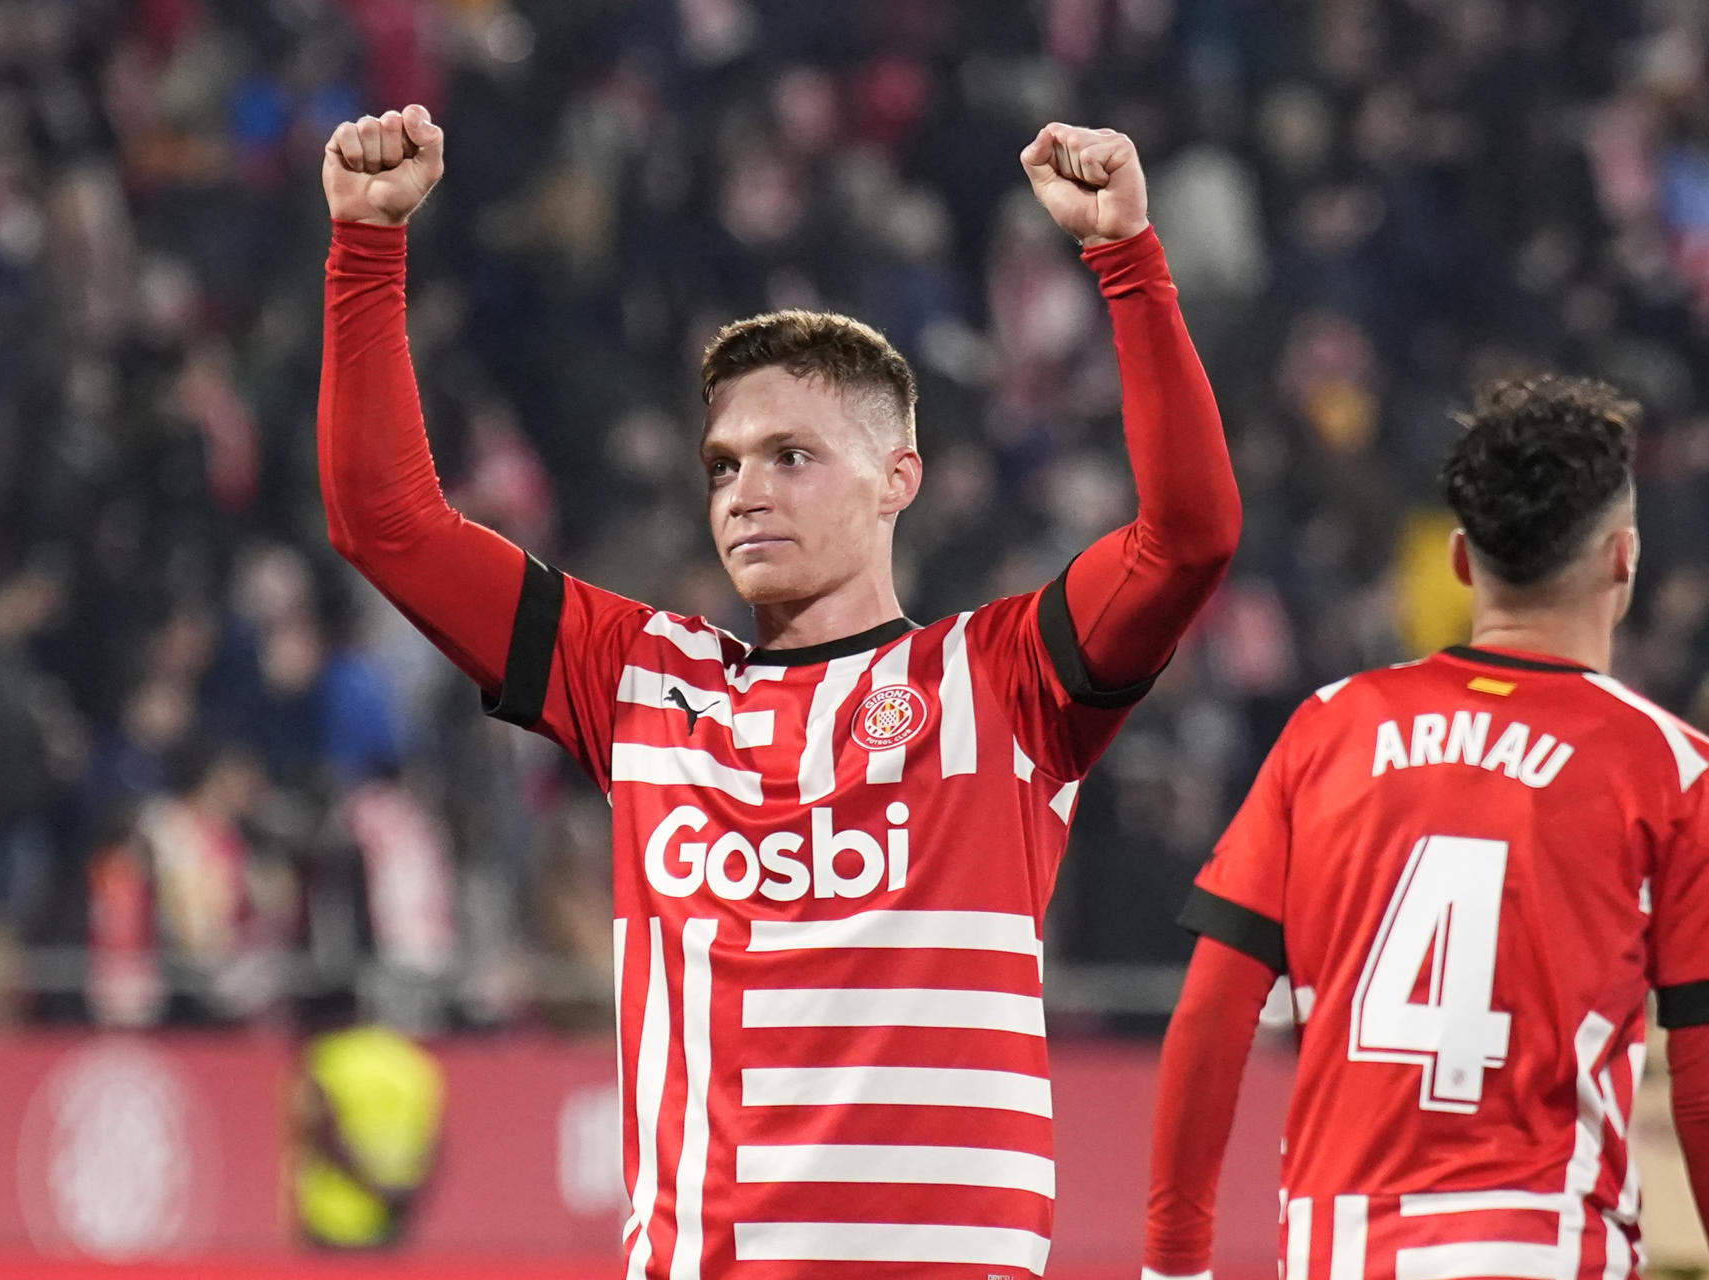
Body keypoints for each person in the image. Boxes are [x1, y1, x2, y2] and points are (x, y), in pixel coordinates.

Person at [320, 104, 1239, 1276]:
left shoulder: (1002, 680)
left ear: (897, 477)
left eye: (790, 455)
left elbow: (1191, 536)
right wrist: (367, 244)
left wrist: (1127, 260)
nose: (745, 490)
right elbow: (385, 523)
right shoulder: (640, 680)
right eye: (723, 465)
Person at [1142, 377, 1709, 1280]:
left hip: (1344, 1249)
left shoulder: (1330, 728)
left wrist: (1174, 1263)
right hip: (1547, 1245)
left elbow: (1213, 1010)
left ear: (1457, 560)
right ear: (1623, 560)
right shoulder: (1672, 770)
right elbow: (1700, 1076)